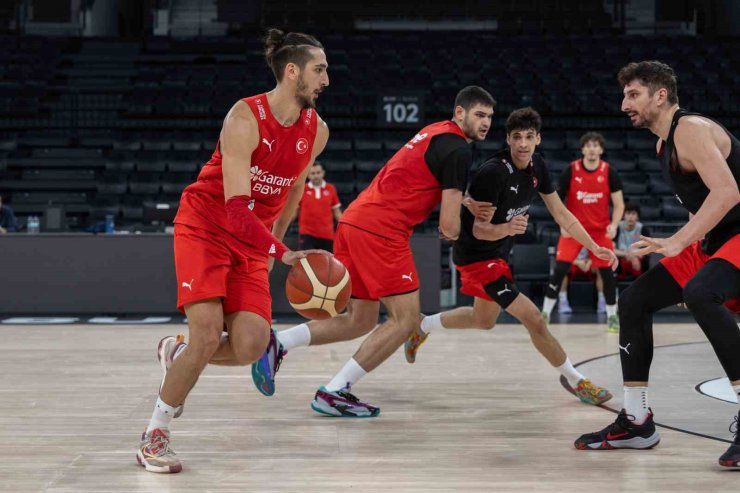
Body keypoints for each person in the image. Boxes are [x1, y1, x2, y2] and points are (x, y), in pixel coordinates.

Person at [136, 29, 330, 474]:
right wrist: (279, 251)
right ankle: (155, 434)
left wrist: (274, 242)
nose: (326, 80)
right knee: (207, 333)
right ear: (292, 71)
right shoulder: (244, 117)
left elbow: (293, 187)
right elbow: (237, 207)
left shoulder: (316, 131)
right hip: (206, 225)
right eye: (319, 70)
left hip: (253, 239)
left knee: (250, 344)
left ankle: (176, 353)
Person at [251, 86, 496, 416]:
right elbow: (449, 227)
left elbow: (416, 178)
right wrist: (482, 231)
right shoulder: (458, 151)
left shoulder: (434, 132)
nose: (486, 123)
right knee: (406, 318)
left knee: (360, 319)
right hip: (382, 230)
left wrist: (461, 201)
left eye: (490, 117)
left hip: (355, 220)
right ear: (460, 113)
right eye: (479, 115)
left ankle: (279, 343)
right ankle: (335, 391)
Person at [574, 61, 740, 470]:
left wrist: (679, 243)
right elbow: (700, 205)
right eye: (625, 95)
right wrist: (689, 247)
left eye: (633, 94)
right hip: (715, 239)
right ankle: (637, 420)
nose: (623, 104)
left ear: (660, 95)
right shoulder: (663, 145)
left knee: (699, 293)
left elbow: (728, 193)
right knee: (634, 301)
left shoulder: (691, 130)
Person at [402, 108, 615, 406]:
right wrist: (507, 228)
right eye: (517, 137)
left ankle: (422, 326)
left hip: (498, 252)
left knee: (482, 319)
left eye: (529, 137)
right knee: (534, 319)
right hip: (476, 254)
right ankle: (577, 381)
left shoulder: (538, 167)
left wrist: (594, 246)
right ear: (508, 139)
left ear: (538, 139)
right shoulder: (493, 172)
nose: (523, 144)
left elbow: (564, 216)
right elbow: (478, 230)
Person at [541, 132, 624, 332]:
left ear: (601, 150)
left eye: (596, 145)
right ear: (583, 149)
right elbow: (555, 202)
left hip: (599, 231)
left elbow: (619, 205)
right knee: (560, 270)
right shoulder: (571, 170)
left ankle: (612, 317)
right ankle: (544, 314)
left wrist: (614, 224)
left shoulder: (609, 172)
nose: (592, 148)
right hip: (574, 230)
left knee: (607, 272)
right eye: (588, 145)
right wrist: (562, 224)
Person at [294, 161, 342, 251]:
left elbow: (337, 212)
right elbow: (294, 212)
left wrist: (346, 227)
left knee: (329, 263)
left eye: (318, 173)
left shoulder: (330, 188)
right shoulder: (302, 189)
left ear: (323, 173)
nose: (316, 176)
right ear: (308, 174)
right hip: (307, 234)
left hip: (327, 234)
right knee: (305, 262)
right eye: (313, 173)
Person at [614, 202, 651, 279]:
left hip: (638, 259)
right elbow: (611, 249)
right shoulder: (617, 228)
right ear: (624, 215)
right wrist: (627, 255)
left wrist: (635, 256)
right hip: (622, 258)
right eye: (628, 213)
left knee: (643, 261)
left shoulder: (643, 229)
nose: (630, 217)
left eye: (633, 214)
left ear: (637, 217)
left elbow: (649, 250)